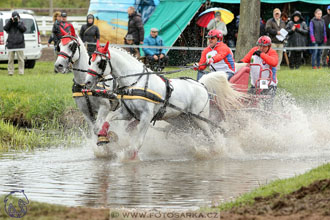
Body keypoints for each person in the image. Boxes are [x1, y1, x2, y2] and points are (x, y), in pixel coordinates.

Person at [4, 11, 26, 76]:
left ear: (19, 17)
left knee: (21, 59)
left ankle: (21, 72)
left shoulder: (21, 22)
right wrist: (10, 21)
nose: (15, 18)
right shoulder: (10, 23)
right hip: (11, 43)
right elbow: (5, 28)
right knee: (10, 59)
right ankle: (10, 72)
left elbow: (24, 29)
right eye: (14, 17)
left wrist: (17, 23)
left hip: (20, 44)